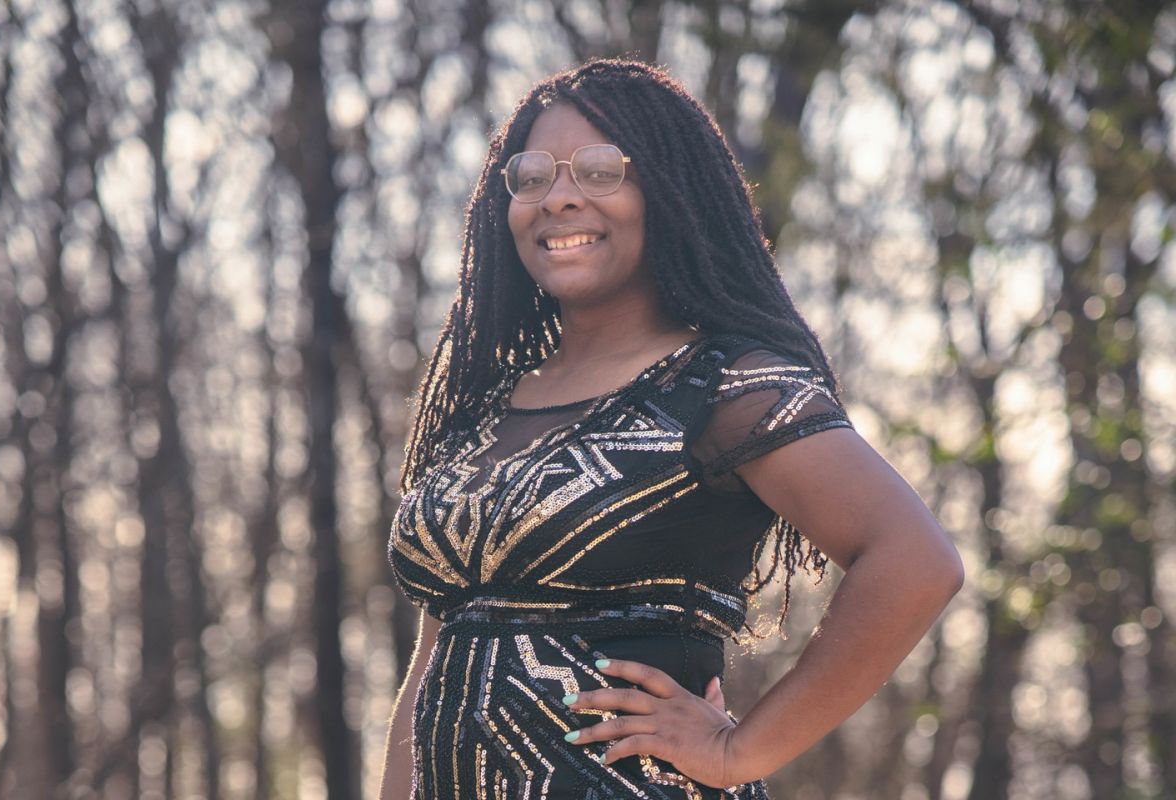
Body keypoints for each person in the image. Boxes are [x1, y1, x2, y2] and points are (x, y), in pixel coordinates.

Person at [378, 57, 964, 799]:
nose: (558, 198)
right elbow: (438, 652)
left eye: (599, 171)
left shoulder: (725, 387)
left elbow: (915, 560)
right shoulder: (481, 409)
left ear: (669, 190)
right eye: (531, 176)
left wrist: (738, 752)